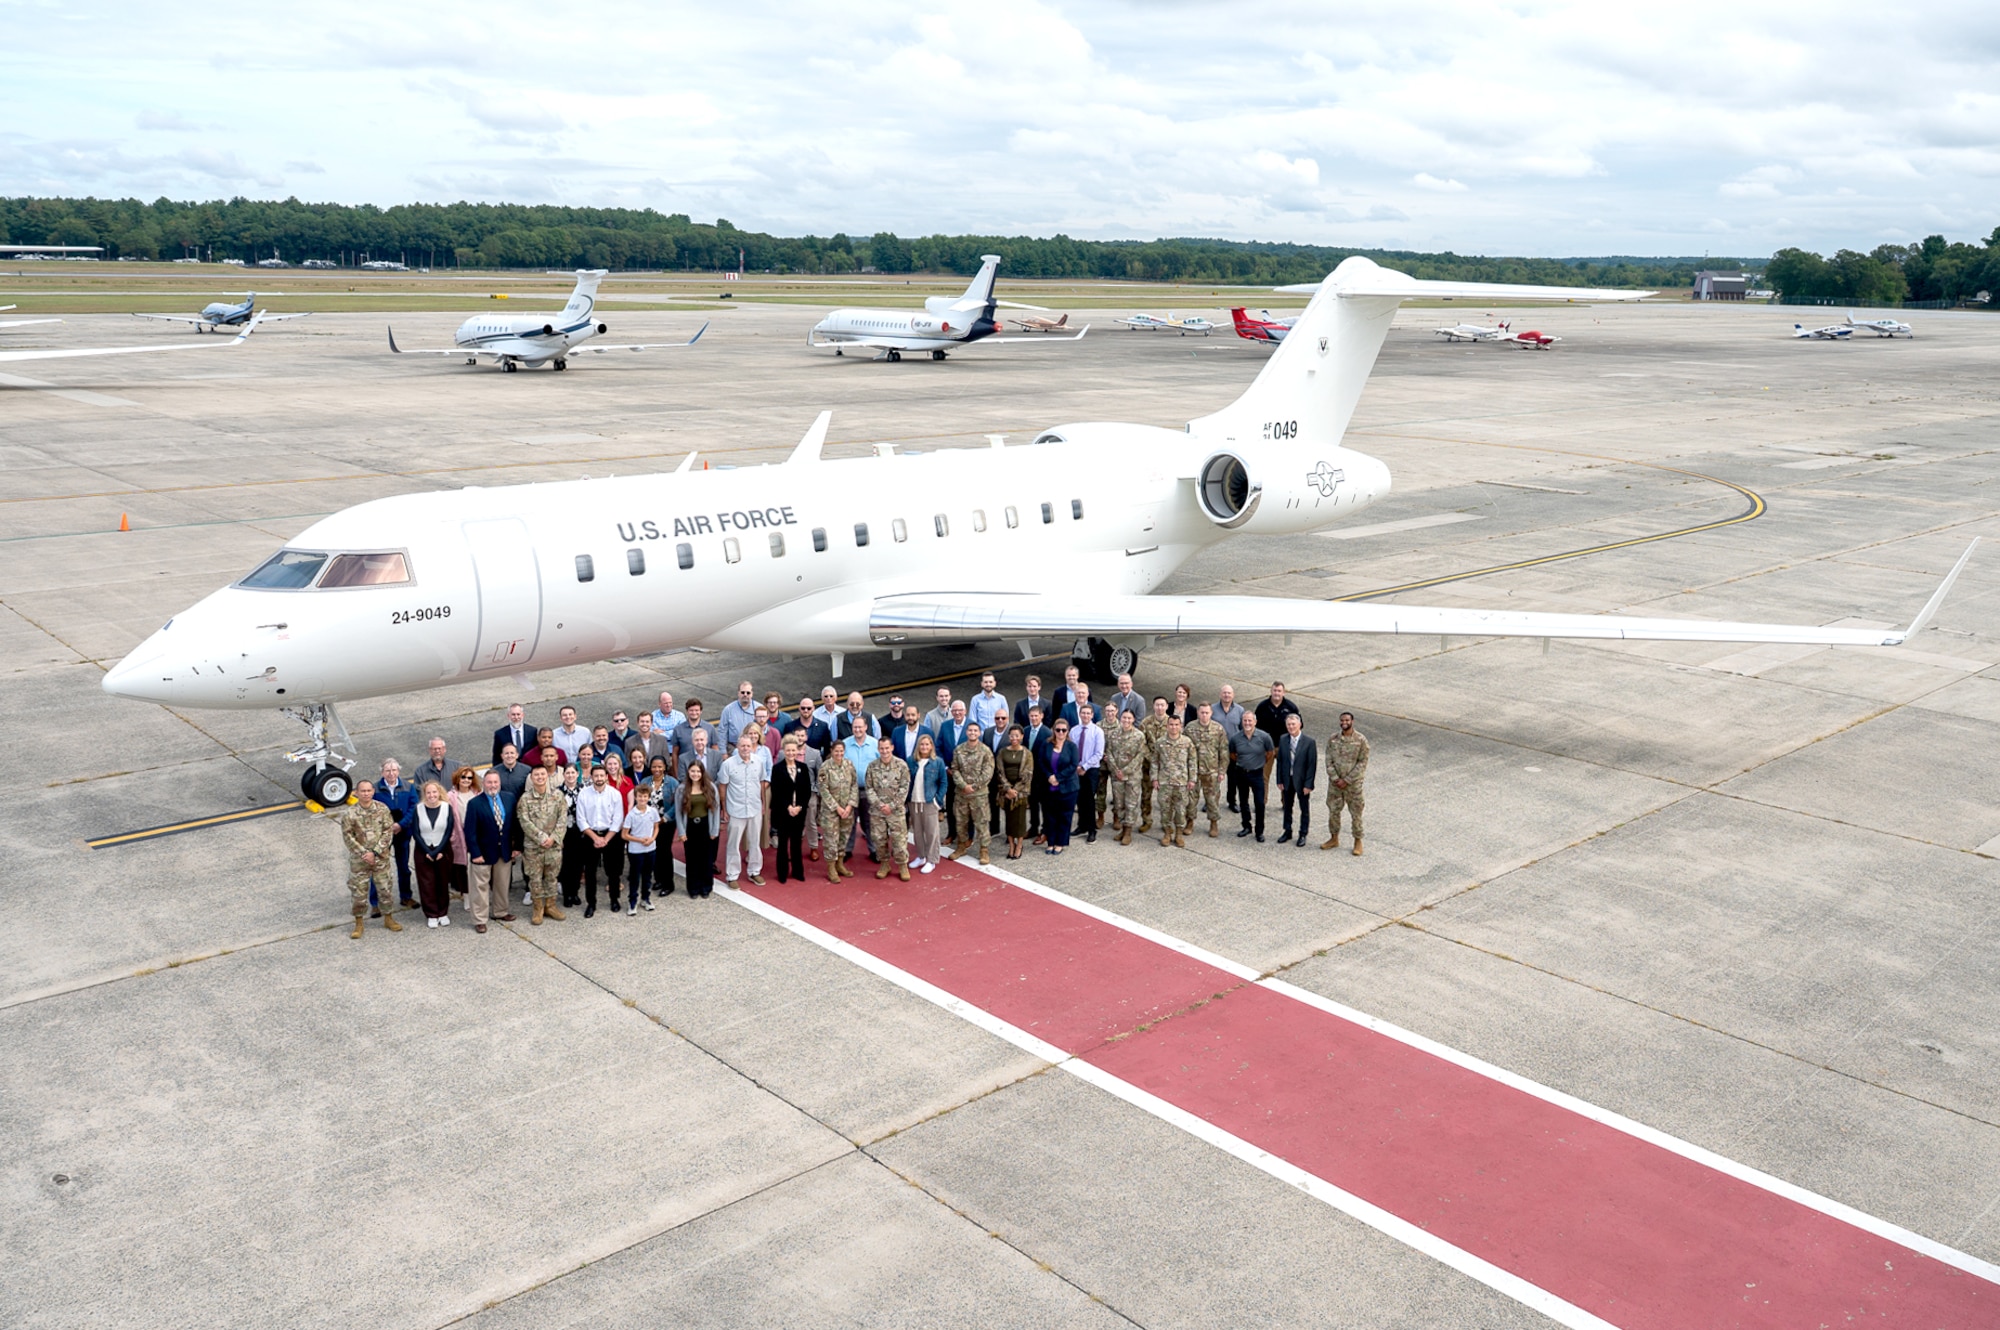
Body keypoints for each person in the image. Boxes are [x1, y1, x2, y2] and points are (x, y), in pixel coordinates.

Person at [464, 769, 520, 933]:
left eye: (495, 782)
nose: (492, 785)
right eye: (489, 782)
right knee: (480, 888)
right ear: (483, 783)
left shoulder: (509, 798)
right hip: (483, 853)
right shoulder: (474, 803)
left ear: (499, 783)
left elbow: (515, 824)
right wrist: (475, 853)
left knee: (502, 884)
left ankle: (500, 912)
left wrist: (517, 847)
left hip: (504, 851)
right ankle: (480, 919)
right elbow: (470, 831)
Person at [343, 780, 399, 938]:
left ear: (373, 791)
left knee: (385, 889)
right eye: (363, 791)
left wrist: (375, 852)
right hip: (360, 862)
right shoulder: (350, 813)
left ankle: (388, 918)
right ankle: (359, 923)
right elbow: (348, 837)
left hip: (380, 858)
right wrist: (364, 853)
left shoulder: (382, 809)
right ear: (356, 792)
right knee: (358, 893)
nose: (366, 794)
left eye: (368, 790)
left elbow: (388, 832)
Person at [516, 766, 569, 925]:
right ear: (531, 778)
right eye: (536, 775)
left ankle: (551, 906)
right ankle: (538, 908)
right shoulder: (525, 799)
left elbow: (563, 819)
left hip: (553, 846)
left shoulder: (558, 795)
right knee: (535, 879)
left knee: (552, 878)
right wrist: (541, 838)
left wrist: (553, 838)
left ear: (547, 776)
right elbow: (524, 821)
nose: (539, 777)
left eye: (542, 774)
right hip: (534, 848)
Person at [574, 765, 625, 918]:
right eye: (596, 776)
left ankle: (614, 900)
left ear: (606, 776)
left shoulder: (615, 794)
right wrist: (595, 838)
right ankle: (591, 903)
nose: (599, 778)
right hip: (591, 837)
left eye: (602, 775)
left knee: (614, 871)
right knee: (590, 872)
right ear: (591, 777)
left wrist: (606, 839)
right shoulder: (583, 794)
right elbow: (581, 820)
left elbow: (618, 820)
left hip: (611, 836)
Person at [405, 780, 457, 928]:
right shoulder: (418, 809)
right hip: (423, 851)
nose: (431, 795)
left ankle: (443, 912)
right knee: (426, 884)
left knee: (442, 882)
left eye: (434, 792)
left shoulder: (447, 808)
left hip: (443, 851)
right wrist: (428, 851)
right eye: (428, 792)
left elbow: (448, 830)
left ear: (439, 792)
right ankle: (431, 914)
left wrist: (439, 850)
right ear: (424, 794)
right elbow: (416, 832)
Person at [718, 732, 768, 887]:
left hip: (754, 808)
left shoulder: (759, 762)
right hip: (736, 809)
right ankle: (732, 875)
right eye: (742, 746)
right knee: (733, 844)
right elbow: (723, 787)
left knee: (755, 842)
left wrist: (763, 804)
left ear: (752, 747)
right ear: (737, 747)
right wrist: (724, 808)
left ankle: (754, 872)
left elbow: (761, 783)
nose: (745, 748)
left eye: (748, 745)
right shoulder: (728, 764)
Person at [372, 758, 419, 908]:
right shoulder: (375, 789)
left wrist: (401, 824)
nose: (391, 773)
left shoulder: (408, 787)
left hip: (403, 833)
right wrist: (386, 827)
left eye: (394, 770)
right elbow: (371, 810)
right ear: (382, 772)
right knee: (378, 868)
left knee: (404, 867)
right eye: (387, 771)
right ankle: (376, 902)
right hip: (382, 835)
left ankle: (406, 897)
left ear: (398, 771)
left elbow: (414, 807)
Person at [1323, 711, 1370, 856]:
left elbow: (1363, 762)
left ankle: (1358, 841)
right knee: (1334, 811)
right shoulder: (1333, 739)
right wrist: (1336, 778)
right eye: (1342, 720)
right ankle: (1334, 838)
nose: (1344, 722)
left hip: (1353, 785)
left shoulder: (1361, 740)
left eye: (1347, 720)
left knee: (1356, 813)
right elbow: (1328, 759)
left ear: (1352, 721)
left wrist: (1347, 780)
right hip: (1335, 784)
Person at [866, 735, 912, 880]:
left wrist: (891, 806)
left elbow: (904, 789)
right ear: (878, 749)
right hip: (877, 812)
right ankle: (884, 864)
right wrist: (880, 805)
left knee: (899, 841)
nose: (884, 751)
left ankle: (902, 866)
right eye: (881, 748)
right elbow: (869, 789)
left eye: (887, 748)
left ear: (892, 748)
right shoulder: (872, 766)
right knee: (879, 839)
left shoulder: (901, 765)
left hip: (896, 811)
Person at [949, 721, 995, 864]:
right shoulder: (959, 750)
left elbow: (988, 772)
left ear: (979, 733)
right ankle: (961, 847)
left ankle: (984, 850)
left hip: (979, 795)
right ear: (966, 732)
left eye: (975, 731)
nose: (972, 733)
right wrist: (963, 785)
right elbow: (954, 769)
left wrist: (973, 787)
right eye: (970, 730)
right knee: (961, 822)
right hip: (961, 794)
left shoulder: (985, 751)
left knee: (981, 823)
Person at [771, 734, 813, 883]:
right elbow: (776, 792)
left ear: (797, 751)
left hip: (799, 812)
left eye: (793, 750)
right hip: (783, 812)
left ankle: (797, 871)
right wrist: (788, 807)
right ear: (784, 750)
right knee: (783, 843)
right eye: (788, 750)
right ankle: (782, 873)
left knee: (796, 843)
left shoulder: (803, 767)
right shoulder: (777, 769)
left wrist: (799, 807)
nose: (791, 753)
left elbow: (807, 790)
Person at [816, 742, 859, 881]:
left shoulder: (849, 765)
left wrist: (850, 806)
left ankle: (840, 864)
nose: (839, 754)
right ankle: (831, 868)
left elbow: (854, 785)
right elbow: (823, 790)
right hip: (831, 812)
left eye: (841, 751)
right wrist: (837, 808)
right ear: (831, 751)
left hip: (847, 810)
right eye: (836, 751)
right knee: (831, 840)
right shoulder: (825, 767)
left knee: (843, 837)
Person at [676, 760, 720, 897]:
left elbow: (716, 809)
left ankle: (706, 886)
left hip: (706, 825)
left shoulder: (711, 787)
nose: (695, 774)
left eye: (698, 771)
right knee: (692, 859)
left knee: (706, 859)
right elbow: (678, 812)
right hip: (690, 826)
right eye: (692, 771)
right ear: (688, 772)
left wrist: (714, 830)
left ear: (702, 772)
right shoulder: (682, 789)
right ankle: (693, 888)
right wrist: (681, 831)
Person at [1152, 716, 1197, 848]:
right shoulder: (1160, 742)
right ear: (1167, 726)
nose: (1173, 727)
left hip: (1182, 783)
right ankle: (1167, 834)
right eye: (1171, 724)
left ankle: (1178, 834)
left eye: (1176, 725)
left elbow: (1192, 762)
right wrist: (1154, 778)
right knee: (1165, 810)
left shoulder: (1187, 742)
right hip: (1165, 782)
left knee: (1180, 810)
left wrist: (1192, 779)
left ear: (1180, 726)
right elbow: (1155, 761)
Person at [1228, 711, 1274, 841]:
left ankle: (1259, 831)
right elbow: (1233, 755)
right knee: (1243, 802)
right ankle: (1246, 826)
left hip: (1257, 774)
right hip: (1241, 773)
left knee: (1259, 803)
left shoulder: (1264, 737)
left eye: (1249, 721)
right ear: (1241, 722)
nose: (1247, 723)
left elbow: (1269, 753)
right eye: (1245, 721)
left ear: (1255, 722)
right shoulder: (1235, 738)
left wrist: (1259, 763)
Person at [1104, 709, 1147, 845]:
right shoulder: (1113, 734)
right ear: (1120, 718)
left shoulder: (1139, 736)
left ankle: (1128, 831)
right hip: (1117, 776)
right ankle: (1122, 828)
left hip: (1132, 776)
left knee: (1131, 804)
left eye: (1129, 718)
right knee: (1119, 803)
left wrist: (1125, 771)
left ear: (1133, 720)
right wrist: (1116, 769)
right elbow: (1108, 752)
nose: (1126, 721)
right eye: (1124, 718)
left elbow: (1140, 756)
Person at [1188, 702, 1230, 838]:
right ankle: (1189, 822)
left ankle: (1213, 823)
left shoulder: (1218, 729)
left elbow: (1224, 751)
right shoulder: (1190, 728)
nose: (1204, 715)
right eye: (1202, 712)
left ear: (1211, 714)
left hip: (1211, 771)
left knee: (1212, 799)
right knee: (1191, 799)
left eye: (1207, 713)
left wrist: (1222, 771)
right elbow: (1185, 749)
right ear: (1198, 713)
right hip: (1193, 771)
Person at [1274, 712, 1317, 847]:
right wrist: (1279, 780)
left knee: (1304, 808)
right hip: (1287, 779)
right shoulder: (1283, 739)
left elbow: (1312, 765)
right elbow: (1280, 761)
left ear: (1300, 725)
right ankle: (1287, 831)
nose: (1291, 727)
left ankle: (1303, 833)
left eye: (1293, 724)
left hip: (1302, 781)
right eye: (1288, 724)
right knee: (1287, 807)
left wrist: (1308, 784)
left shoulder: (1309, 742)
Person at [906, 732, 945, 873]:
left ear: (931, 746)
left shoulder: (937, 762)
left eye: (927, 744)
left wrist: (937, 800)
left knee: (931, 832)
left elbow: (943, 782)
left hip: (929, 802)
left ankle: (931, 860)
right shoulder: (910, 761)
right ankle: (921, 856)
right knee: (917, 832)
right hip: (914, 801)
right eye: (922, 744)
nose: (924, 746)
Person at [1254, 681, 1301, 801]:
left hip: (1284, 747)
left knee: (1286, 775)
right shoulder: (1262, 707)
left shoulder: (1291, 707)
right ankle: (1262, 802)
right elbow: (1255, 727)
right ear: (1271, 691)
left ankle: (1286, 802)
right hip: (1266, 748)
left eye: (1279, 691)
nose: (1277, 693)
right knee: (1263, 776)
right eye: (1274, 690)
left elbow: (1300, 725)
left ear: (1283, 692)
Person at [842, 715, 878, 859]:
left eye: (860, 727)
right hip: (850, 791)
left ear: (866, 727)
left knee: (870, 821)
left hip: (869, 790)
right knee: (849, 821)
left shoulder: (875, 744)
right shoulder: (845, 744)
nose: (857, 730)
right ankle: (847, 850)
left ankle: (874, 850)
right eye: (855, 727)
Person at [1043, 720, 1080, 855]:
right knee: (1050, 816)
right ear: (1053, 730)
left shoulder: (1072, 746)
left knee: (1064, 816)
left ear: (1067, 731)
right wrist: (1049, 776)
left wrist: (1058, 778)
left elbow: (1073, 765)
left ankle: (1060, 842)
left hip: (1068, 787)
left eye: (1063, 730)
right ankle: (1051, 842)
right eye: (1058, 730)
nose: (1060, 733)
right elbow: (1041, 761)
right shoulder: (1046, 744)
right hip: (1049, 786)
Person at [622, 782, 661, 914]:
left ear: (648, 797)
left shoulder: (653, 811)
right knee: (634, 877)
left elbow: (656, 827)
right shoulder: (631, 815)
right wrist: (639, 840)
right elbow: (624, 834)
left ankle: (646, 899)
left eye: (645, 796)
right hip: (635, 850)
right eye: (640, 796)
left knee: (647, 876)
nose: (642, 799)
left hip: (650, 849)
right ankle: (632, 902)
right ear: (636, 797)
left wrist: (652, 838)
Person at [996, 726, 1033, 859]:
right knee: (1009, 819)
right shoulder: (1002, 752)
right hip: (1006, 792)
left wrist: (1015, 790)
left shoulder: (1027, 753)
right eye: (1012, 736)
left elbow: (1028, 773)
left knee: (1020, 820)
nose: (1014, 738)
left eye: (1017, 736)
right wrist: (1007, 789)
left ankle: (1019, 845)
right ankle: (1011, 844)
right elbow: (999, 772)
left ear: (1022, 736)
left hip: (1020, 793)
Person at [1137, 697, 1171, 833]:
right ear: (1153, 706)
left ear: (1167, 706)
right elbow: (1141, 743)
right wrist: (1151, 758)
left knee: (1166, 797)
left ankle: (1166, 822)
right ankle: (1146, 820)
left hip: (1166, 767)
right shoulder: (1146, 723)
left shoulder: (1172, 722)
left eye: (1162, 705)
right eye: (1157, 705)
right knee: (1146, 795)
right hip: (1148, 766)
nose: (1160, 708)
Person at [445, 766, 479, 896]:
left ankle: (476, 893)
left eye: (469, 778)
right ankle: (465, 895)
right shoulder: (451, 796)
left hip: (476, 834)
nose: (466, 780)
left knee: (476, 865)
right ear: (457, 778)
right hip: (459, 834)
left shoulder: (477, 793)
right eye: (463, 777)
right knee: (461, 867)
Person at [557, 766, 588, 908]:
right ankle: (567, 894)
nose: (570, 775)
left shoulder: (585, 790)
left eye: (573, 773)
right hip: (564, 833)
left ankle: (575, 892)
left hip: (581, 832)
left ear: (577, 774)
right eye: (567, 773)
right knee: (566, 865)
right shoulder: (557, 792)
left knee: (578, 864)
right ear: (563, 775)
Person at [1073, 703, 1104, 842]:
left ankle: (1092, 830)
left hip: (1090, 770)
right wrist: (1076, 766)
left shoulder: (1097, 731)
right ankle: (1082, 825)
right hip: (1076, 769)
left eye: (1088, 713)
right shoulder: (1074, 731)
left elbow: (1098, 754)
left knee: (1089, 800)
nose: (1085, 715)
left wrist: (1084, 767)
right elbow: (1072, 750)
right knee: (1079, 799)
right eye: (1083, 713)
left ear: (1092, 715)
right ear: (1080, 714)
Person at [1213, 685, 1247, 811]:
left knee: (1233, 778)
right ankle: (1210, 801)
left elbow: (1244, 729)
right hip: (1216, 749)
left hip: (1233, 750)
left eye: (1229, 693)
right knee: (1213, 778)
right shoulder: (1212, 709)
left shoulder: (1240, 710)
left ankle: (1232, 801)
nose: (1226, 695)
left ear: (1233, 695)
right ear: (1220, 694)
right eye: (1224, 693)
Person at [1021, 705, 1051, 842]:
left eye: (1036, 716)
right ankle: (1033, 828)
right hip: (1029, 776)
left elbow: (1049, 756)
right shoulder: (1025, 731)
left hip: (1042, 775)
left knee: (1045, 804)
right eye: (1031, 716)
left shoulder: (1048, 733)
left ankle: (1045, 831)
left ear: (1041, 716)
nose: (1034, 718)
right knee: (1032, 803)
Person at [670, 699, 721, 775]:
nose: (694, 713)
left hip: (707, 770)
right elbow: (675, 754)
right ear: (687, 711)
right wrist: (677, 774)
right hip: (686, 770)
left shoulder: (710, 728)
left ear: (701, 711)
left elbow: (715, 751)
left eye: (697, 710)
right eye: (691, 710)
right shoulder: (678, 730)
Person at [968, 672, 1008, 738]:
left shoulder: (1001, 699)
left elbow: (1006, 719)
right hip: (981, 736)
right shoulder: (975, 699)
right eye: (986, 682)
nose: (988, 684)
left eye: (990, 682)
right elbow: (973, 720)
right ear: (982, 684)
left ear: (995, 683)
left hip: (997, 735)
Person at [719, 681, 759, 747]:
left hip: (754, 747)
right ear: (738, 693)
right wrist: (723, 752)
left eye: (748, 693)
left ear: (752, 694)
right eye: (742, 692)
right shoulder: (728, 709)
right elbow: (722, 732)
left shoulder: (759, 708)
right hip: (734, 747)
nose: (745, 694)